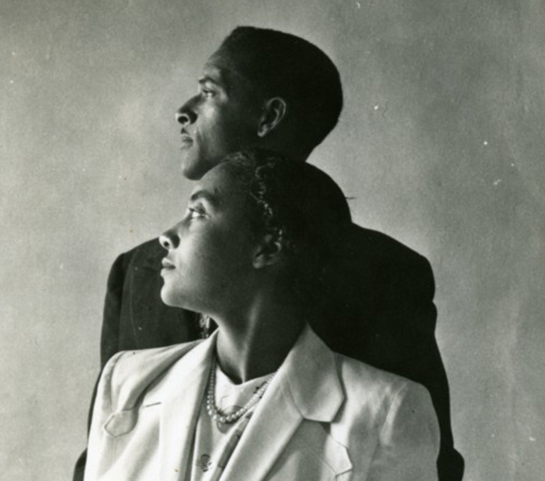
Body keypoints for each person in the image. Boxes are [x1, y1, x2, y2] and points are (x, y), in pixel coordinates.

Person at [74, 26, 463, 480]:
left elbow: (418, 450)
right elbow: (103, 452)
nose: (184, 112)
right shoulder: (140, 272)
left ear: (269, 117)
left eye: (208, 92)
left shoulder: (381, 272)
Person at [84, 150, 441, 481]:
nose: (166, 236)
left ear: (268, 246)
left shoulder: (385, 412)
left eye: (198, 213)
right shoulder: (126, 382)